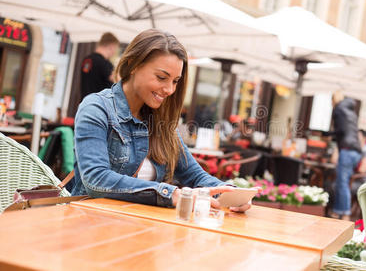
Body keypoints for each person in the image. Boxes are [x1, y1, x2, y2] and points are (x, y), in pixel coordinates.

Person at [72, 29, 250, 212]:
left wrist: (232, 194)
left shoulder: (161, 121)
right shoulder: (96, 109)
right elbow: (96, 180)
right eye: (162, 78)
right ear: (133, 64)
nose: (169, 89)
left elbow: (194, 176)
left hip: (144, 226)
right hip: (91, 222)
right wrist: (170, 194)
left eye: (175, 81)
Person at [330, 91, 361, 220]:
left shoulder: (338, 109)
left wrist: (329, 137)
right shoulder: (351, 111)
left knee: (342, 182)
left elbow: (340, 131)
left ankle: (346, 214)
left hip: (347, 149)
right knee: (342, 182)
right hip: (356, 150)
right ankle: (337, 211)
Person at [80, 32, 120, 99]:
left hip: (84, 104)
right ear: (111, 47)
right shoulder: (105, 64)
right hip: (98, 106)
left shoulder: (87, 60)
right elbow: (117, 81)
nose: (114, 52)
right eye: (115, 48)